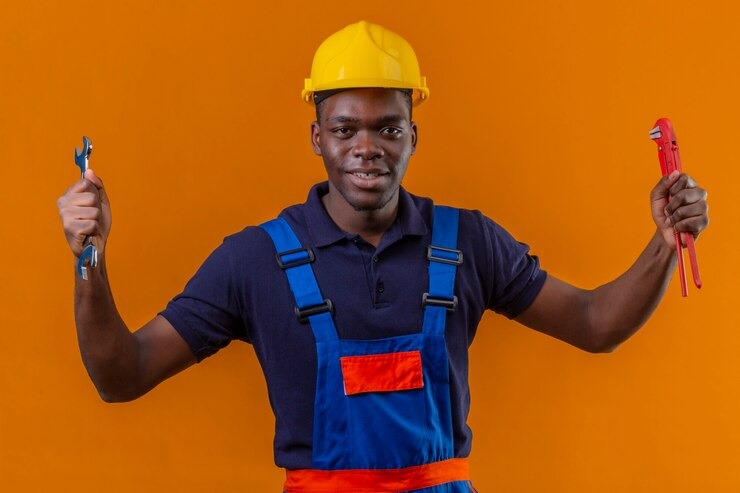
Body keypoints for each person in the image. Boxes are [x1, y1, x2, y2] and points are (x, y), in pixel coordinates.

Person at [57, 20, 709, 493]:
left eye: (387, 127)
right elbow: (124, 374)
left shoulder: (468, 243)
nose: (366, 147)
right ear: (317, 135)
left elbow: (595, 323)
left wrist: (664, 242)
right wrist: (91, 261)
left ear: (412, 134)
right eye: (345, 128)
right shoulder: (255, 261)